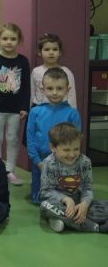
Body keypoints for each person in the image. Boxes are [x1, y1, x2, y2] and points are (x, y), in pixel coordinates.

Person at [0, 23, 30, 186]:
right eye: (5, 38)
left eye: (13, 39)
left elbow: (26, 86)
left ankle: (10, 170)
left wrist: (24, 107)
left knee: (12, 139)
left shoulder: (23, 61)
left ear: (19, 40)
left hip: (16, 109)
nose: (9, 42)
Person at [39, 123, 108, 233]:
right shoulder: (48, 163)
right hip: (59, 204)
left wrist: (84, 205)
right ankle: (96, 227)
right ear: (53, 148)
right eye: (66, 150)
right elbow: (45, 191)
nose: (72, 154)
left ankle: (65, 221)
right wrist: (67, 199)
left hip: (80, 203)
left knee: (104, 206)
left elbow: (87, 188)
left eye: (76, 149)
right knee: (45, 206)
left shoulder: (85, 162)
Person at [27, 68, 81, 203]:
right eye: (50, 88)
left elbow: (76, 141)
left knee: (63, 199)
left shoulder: (72, 113)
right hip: (40, 161)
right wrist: (37, 161)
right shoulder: (35, 112)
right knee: (41, 199)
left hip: (65, 163)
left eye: (59, 88)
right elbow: (30, 138)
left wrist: (68, 160)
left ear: (67, 90)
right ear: (42, 89)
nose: (55, 92)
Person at [30, 33, 76, 108]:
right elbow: (32, 93)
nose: (51, 53)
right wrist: (30, 110)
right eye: (47, 49)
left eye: (55, 49)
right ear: (39, 52)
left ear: (60, 52)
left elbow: (71, 95)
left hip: (61, 109)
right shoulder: (36, 71)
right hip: (40, 109)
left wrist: (72, 112)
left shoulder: (66, 72)